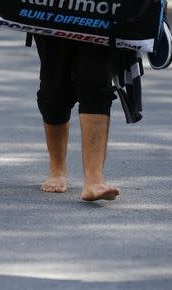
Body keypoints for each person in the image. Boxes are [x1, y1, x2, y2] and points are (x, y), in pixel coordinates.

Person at [34, 34, 120, 202]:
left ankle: (94, 180)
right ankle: (57, 170)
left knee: (97, 84)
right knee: (54, 90)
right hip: (53, 15)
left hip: (102, 15)